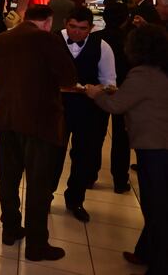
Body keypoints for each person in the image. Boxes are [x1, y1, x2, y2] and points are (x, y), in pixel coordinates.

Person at [0, 5, 77, 262]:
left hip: (6, 117)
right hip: (40, 121)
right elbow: (69, 79)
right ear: (48, 22)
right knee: (38, 185)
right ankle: (37, 245)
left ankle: (11, 228)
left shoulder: (2, 39)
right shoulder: (48, 40)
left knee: (8, 179)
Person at [86, 25, 168, 275]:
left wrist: (94, 93)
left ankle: (159, 265)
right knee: (156, 205)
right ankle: (145, 251)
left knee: (157, 208)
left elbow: (116, 105)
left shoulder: (142, 74)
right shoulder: (161, 70)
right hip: (159, 143)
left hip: (154, 147)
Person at [52, 6, 117, 223]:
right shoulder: (52, 41)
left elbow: (110, 82)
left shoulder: (103, 47)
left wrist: (100, 89)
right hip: (56, 109)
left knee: (83, 156)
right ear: (65, 24)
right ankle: (45, 196)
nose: (76, 32)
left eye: (82, 29)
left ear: (91, 28)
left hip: (89, 111)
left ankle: (75, 199)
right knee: (52, 155)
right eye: (72, 27)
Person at [89, 2, 132, 193]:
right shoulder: (131, 39)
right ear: (126, 20)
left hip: (99, 92)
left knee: (94, 135)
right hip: (124, 93)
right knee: (122, 138)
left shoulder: (95, 38)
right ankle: (120, 180)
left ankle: (89, 175)